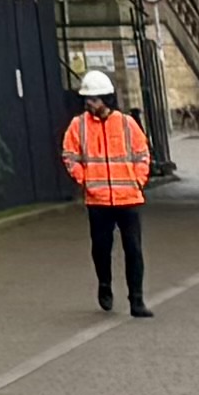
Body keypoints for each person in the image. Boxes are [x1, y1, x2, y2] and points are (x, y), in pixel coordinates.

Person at [65, 65, 154, 317]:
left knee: (133, 250)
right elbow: (69, 156)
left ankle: (136, 300)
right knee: (101, 248)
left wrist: (138, 180)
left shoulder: (127, 124)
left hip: (128, 198)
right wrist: (85, 180)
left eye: (93, 99)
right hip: (98, 199)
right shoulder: (78, 125)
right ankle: (104, 284)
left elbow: (142, 153)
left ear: (105, 99)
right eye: (87, 99)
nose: (89, 103)